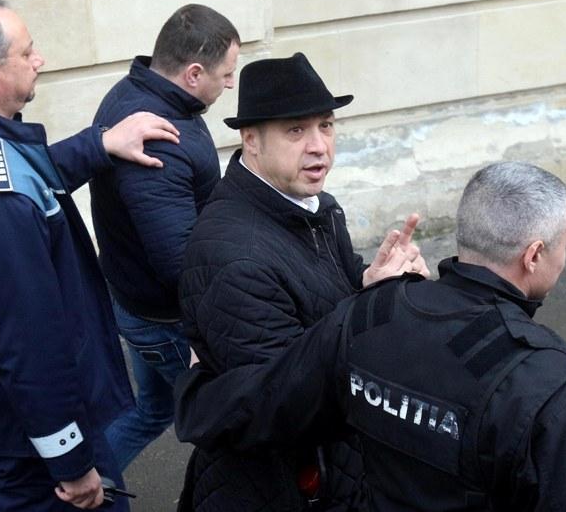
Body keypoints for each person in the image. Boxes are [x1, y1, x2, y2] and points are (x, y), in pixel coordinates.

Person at [176, 161, 566, 511]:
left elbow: (267, 401)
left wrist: (196, 388)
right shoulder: (551, 389)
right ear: (534, 254)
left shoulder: (368, 315)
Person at [0, 0, 180, 511]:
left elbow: (19, 170)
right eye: (27, 52)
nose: (39, 59)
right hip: (33, 432)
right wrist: (70, 461)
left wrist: (98, 145)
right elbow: (29, 345)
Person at [176, 52, 428, 511]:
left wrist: (374, 281)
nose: (319, 146)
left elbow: (333, 300)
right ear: (251, 140)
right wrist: (377, 306)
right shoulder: (233, 258)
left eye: (326, 126)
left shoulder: (316, 206)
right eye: (296, 130)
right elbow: (288, 403)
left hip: (339, 467)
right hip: (281, 486)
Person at [88, 4, 240, 471]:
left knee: (152, 411)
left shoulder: (139, 91)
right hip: (164, 319)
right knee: (227, 427)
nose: (230, 84)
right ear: (193, 74)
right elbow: (179, 261)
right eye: (226, 74)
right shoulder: (158, 139)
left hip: (136, 303)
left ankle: (83, 486)